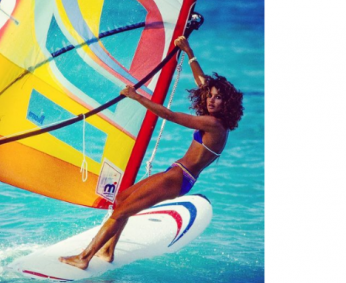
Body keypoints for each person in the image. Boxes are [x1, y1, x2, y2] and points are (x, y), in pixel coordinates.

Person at [59, 36, 244, 270]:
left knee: (121, 211)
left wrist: (137, 97)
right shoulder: (218, 121)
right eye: (210, 96)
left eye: (218, 97)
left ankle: (84, 258)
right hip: (177, 175)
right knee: (122, 199)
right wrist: (188, 52)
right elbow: (203, 83)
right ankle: (107, 250)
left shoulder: (214, 125)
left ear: (226, 104)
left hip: (177, 178)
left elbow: (169, 116)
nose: (210, 99)